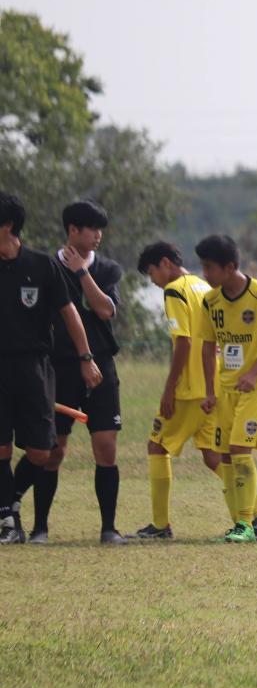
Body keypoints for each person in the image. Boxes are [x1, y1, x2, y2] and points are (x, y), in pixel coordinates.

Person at [12, 199, 126, 543]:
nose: (98, 236)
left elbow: (104, 310)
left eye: (101, 229)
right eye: (92, 229)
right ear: (72, 230)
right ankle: (39, 528)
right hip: (58, 367)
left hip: (101, 365)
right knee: (53, 450)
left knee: (106, 446)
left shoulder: (108, 269)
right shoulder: (45, 267)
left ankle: (109, 529)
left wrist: (82, 272)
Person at [195, 235, 257, 542]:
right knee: (225, 457)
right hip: (226, 389)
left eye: (209, 267)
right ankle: (239, 525)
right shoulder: (210, 301)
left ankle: (246, 524)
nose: (205, 274)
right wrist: (209, 391)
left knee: (239, 451)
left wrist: (254, 372)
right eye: (203, 267)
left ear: (230, 266)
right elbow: (208, 347)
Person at [134, 241, 221, 538]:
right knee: (212, 455)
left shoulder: (174, 290)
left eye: (151, 273)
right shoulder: (203, 286)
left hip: (189, 388)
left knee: (157, 446)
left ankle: (160, 526)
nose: (153, 281)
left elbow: (183, 342)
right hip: (213, 384)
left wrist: (169, 389)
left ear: (165, 263)